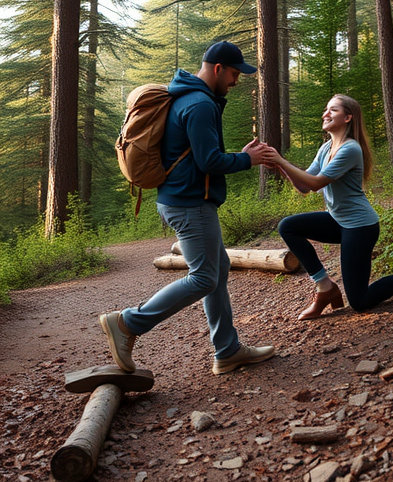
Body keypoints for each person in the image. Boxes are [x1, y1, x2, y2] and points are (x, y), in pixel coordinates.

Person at [100, 41, 276, 375]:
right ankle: (127, 323)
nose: (236, 82)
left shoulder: (186, 97)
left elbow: (195, 155)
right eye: (234, 74)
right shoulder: (199, 104)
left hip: (179, 198)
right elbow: (209, 161)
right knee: (205, 277)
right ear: (218, 68)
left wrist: (239, 154)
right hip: (190, 203)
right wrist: (248, 160)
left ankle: (227, 350)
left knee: (218, 269)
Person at [262, 94, 393, 319]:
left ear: (348, 117)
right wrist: (280, 167)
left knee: (360, 301)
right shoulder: (326, 148)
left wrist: (282, 160)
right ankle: (325, 287)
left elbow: (315, 184)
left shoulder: (350, 149)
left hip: (360, 226)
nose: (325, 114)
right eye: (326, 109)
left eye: (333, 110)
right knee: (289, 227)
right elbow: (304, 186)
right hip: (337, 221)